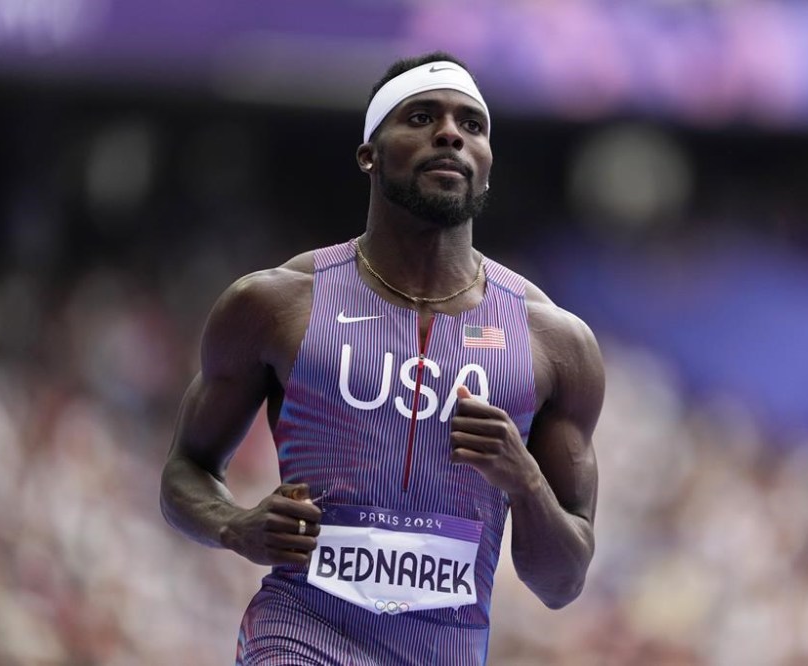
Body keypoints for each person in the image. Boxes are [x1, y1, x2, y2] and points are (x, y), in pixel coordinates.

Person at [160, 51, 605, 665]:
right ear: (369, 153)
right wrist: (235, 526)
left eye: (472, 125)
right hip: (298, 633)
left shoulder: (554, 344)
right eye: (421, 117)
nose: (450, 133)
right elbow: (185, 469)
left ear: (486, 163)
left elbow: (561, 582)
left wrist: (524, 481)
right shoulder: (276, 305)